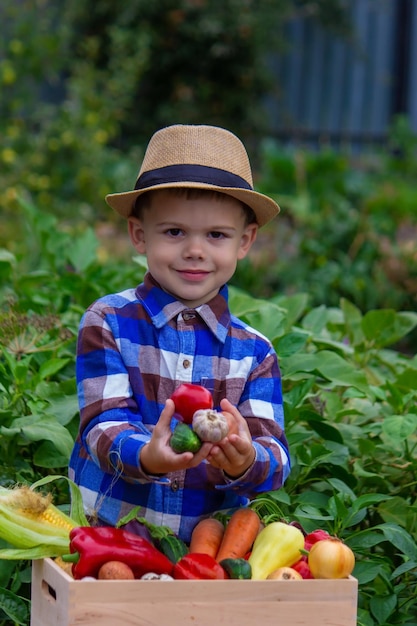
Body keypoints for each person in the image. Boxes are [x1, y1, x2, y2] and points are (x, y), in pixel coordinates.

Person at [69, 124, 290, 543]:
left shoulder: (254, 352)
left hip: (205, 556)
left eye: (216, 235)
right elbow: (102, 424)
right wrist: (147, 456)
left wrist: (246, 461)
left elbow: (276, 455)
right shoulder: (108, 321)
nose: (195, 249)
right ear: (139, 234)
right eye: (174, 232)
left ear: (245, 242)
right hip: (110, 540)